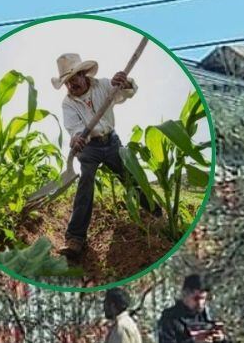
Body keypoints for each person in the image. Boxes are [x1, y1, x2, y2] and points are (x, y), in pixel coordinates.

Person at [51, 52, 161, 258]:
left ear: (84, 74)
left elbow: (127, 93)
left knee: (130, 177)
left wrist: (125, 82)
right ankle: (75, 239)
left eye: (73, 78)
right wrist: (76, 138)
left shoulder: (103, 85)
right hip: (89, 149)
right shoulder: (68, 103)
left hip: (111, 142)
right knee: (85, 183)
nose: (70, 85)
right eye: (66, 82)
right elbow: (74, 128)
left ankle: (156, 214)